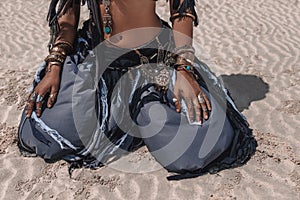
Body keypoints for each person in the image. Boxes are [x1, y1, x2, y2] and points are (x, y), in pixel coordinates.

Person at [18, 0, 257, 175]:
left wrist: (184, 69)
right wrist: (55, 64)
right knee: (45, 130)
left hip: (151, 62)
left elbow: (181, 11)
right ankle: (122, 115)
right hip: (95, 58)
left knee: (194, 146)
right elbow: (67, 17)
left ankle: (139, 112)